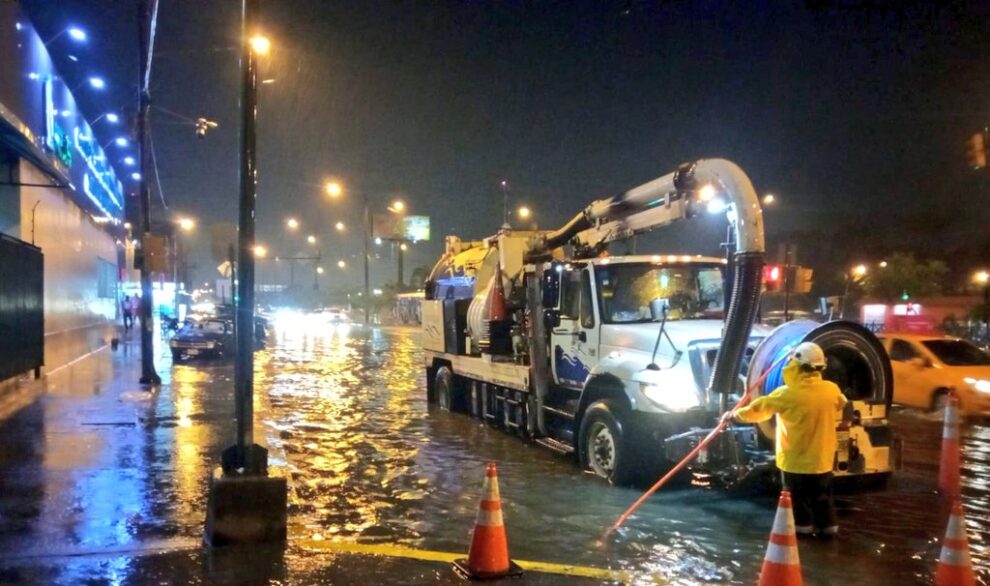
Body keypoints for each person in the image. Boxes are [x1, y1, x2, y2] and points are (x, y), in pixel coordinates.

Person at [725, 342, 848, 537]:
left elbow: (758, 411)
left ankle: (803, 539)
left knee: (797, 501)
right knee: (822, 497)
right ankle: (829, 533)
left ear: (795, 366)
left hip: (795, 462)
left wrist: (733, 416)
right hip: (822, 460)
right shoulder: (831, 390)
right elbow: (842, 404)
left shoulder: (785, 394)